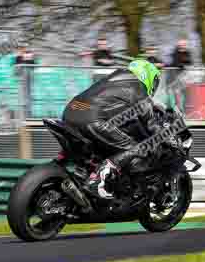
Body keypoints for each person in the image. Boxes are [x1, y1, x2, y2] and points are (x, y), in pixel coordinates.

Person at [62, 59, 167, 200]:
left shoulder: (113, 78)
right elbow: (151, 123)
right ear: (146, 75)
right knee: (136, 148)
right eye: (154, 81)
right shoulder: (138, 88)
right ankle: (98, 181)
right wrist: (166, 136)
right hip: (91, 120)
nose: (154, 86)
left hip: (69, 112)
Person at [168, 39, 192, 112]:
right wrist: (183, 64)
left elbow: (190, 62)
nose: (184, 46)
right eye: (182, 45)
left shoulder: (187, 52)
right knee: (176, 92)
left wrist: (184, 64)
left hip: (184, 76)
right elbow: (176, 63)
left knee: (186, 92)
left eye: (185, 45)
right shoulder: (175, 53)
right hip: (176, 75)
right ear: (179, 45)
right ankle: (177, 108)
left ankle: (184, 108)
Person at [14, 44, 36, 118]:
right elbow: (16, 70)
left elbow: (33, 67)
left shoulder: (30, 56)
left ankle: (28, 114)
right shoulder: (18, 57)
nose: (23, 51)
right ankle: (24, 114)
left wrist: (28, 58)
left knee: (28, 97)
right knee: (24, 97)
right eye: (21, 49)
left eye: (24, 49)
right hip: (21, 79)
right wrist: (21, 57)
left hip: (28, 78)